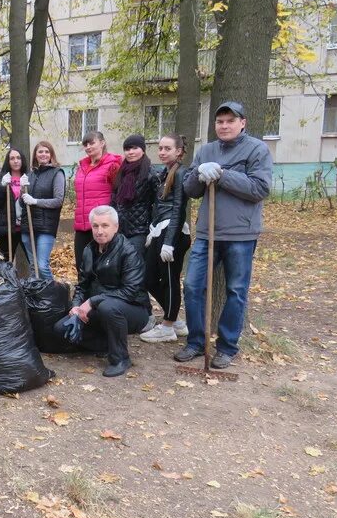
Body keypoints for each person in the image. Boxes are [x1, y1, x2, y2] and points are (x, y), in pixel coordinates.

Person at [175, 101, 273, 369]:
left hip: (241, 233)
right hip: (208, 233)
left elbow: (260, 188)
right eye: (220, 122)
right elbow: (191, 190)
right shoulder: (206, 150)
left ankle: (227, 347)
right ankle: (196, 342)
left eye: (231, 121)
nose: (225, 125)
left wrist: (222, 175)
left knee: (235, 291)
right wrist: (199, 175)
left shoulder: (257, 149)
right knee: (193, 286)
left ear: (243, 123)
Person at [53, 205, 147, 377]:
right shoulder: (89, 250)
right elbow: (82, 285)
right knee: (60, 329)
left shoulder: (129, 251)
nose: (99, 231)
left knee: (108, 307)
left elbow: (130, 291)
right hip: (99, 308)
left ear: (116, 227)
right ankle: (105, 344)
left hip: (133, 310)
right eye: (95, 226)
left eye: (105, 225)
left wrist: (92, 301)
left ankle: (120, 358)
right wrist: (75, 307)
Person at [140, 134, 191, 343]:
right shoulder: (163, 172)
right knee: (149, 279)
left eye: (167, 148)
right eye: (160, 148)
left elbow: (179, 208)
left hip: (174, 233)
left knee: (170, 281)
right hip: (159, 231)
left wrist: (169, 242)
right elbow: (158, 205)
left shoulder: (181, 173)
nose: (162, 152)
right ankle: (176, 320)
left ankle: (168, 327)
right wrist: (153, 231)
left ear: (178, 151)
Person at [72, 131, 122, 271]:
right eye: (85, 144)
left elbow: (118, 194)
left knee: (100, 266)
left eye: (92, 143)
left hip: (101, 224)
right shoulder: (82, 167)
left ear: (102, 143)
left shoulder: (112, 165)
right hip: (82, 224)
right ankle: (83, 293)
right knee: (81, 266)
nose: (88, 147)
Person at [20, 141, 65, 280]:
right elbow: (23, 203)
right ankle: (39, 298)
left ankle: (54, 295)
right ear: (35, 155)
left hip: (46, 226)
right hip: (28, 226)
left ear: (51, 154)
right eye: (40, 152)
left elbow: (58, 201)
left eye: (46, 151)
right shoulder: (30, 175)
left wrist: (36, 201)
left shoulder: (57, 173)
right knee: (33, 266)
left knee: (42, 265)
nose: (43, 154)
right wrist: (22, 191)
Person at [111, 134, 156, 255]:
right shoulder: (121, 172)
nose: (130, 152)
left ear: (143, 150)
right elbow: (114, 200)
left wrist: (151, 227)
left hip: (140, 231)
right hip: (120, 230)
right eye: (127, 149)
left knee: (135, 267)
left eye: (135, 148)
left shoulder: (151, 173)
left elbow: (156, 203)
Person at [0, 147, 28, 260]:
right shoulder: (1, 178)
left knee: (32, 260)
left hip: (26, 228)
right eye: (12, 158)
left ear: (22, 160)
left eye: (18, 158)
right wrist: (2, 186)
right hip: (7, 228)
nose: (16, 161)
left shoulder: (29, 177)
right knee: (6, 261)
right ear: (8, 161)